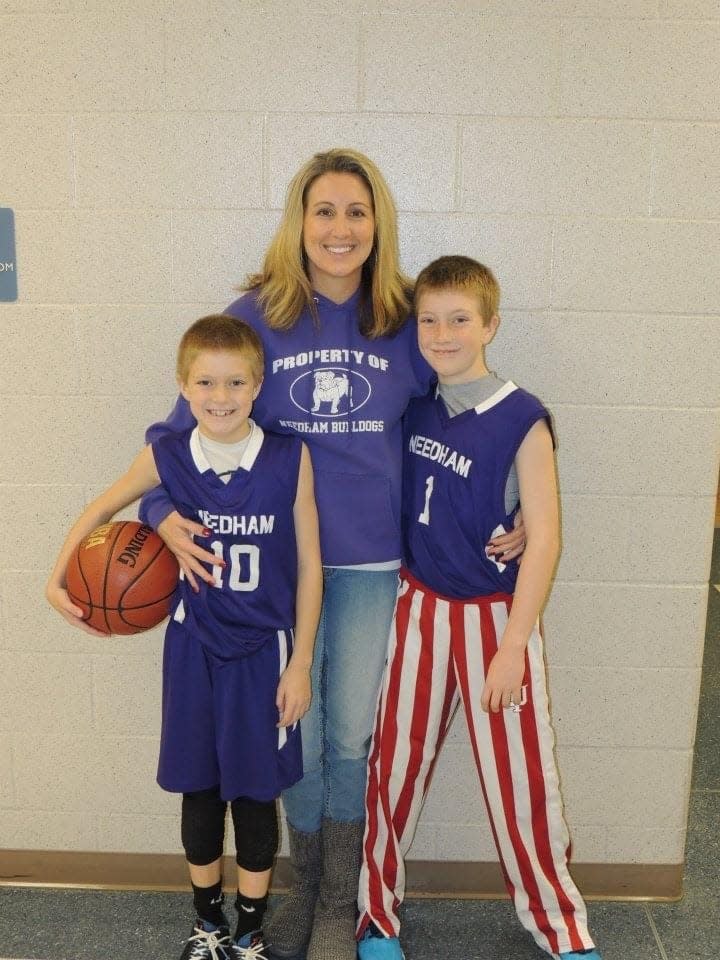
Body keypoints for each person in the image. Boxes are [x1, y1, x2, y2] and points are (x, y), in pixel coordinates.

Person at [139, 150, 525, 960]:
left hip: (374, 562)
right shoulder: (258, 313)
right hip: (278, 566)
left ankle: (336, 901)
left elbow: (468, 413)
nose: (340, 228)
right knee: (300, 736)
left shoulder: (404, 317)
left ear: (377, 221)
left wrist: (513, 506)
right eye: (324, 211)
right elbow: (183, 429)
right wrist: (160, 510)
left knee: (348, 735)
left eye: (357, 211)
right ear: (299, 221)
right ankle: (303, 882)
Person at [46, 315, 322, 960]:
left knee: (255, 795)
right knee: (200, 788)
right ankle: (208, 922)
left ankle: (250, 931)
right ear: (183, 385)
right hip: (193, 646)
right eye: (205, 382)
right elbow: (99, 508)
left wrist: (302, 660)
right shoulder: (167, 455)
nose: (219, 396)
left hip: (264, 651)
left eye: (234, 382)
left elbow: (310, 563)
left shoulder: (289, 456)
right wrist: (55, 577)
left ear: (258, 385)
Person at [356, 256, 602, 960]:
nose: (442, 332)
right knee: (392, 770)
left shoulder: (523, 417)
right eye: (429, 320)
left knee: (521, 781)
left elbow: (547, 537)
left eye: (459, 319)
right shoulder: (413, 407)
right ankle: (377, 916)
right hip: (422, 608)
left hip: (496, 617)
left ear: (490, 325)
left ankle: (561, 928)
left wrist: (514, 644)